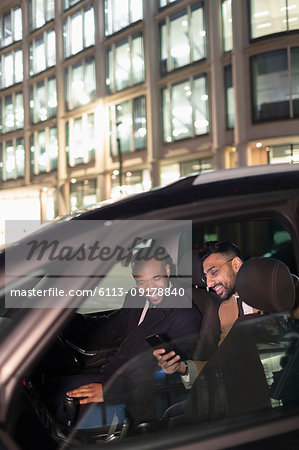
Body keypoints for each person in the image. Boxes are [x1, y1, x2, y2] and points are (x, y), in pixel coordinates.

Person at [48, 249, 201, 425]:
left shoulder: (184, 315)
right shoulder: (135, 298)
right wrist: (62, 318)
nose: (150, 289)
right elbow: (107, 329)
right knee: (47, 391)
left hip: (134, 393)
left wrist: (112, 391)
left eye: (156, 279)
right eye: (141, 282)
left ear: (167, 271)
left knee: (57, 403)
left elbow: (171, 375)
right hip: (113, 375)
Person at [154, 241, 256, 389]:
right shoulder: (226, 310)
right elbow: (222, 363)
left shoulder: (273, 292)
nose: (209, 283)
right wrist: (181, 367)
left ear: (236, 264)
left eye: (213, 272)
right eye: (205, 276)